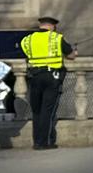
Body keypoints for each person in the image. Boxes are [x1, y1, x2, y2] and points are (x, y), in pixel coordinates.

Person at [20, 16, 76, 150]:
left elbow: (28, 55)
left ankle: (37, 141)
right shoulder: (56, 38)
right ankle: (45, 142)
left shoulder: (27, 40)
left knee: (37, 110)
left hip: (34, 77)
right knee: (48, 110)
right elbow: (71, 55)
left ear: (41, 25)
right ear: (52, 26)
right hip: (52, 77)